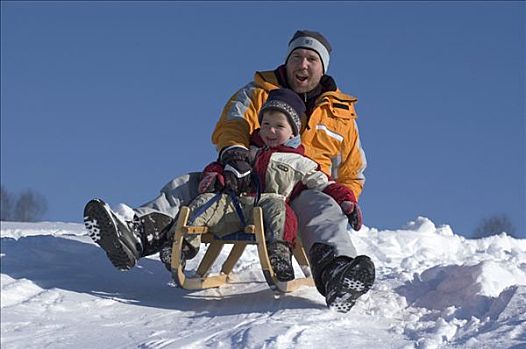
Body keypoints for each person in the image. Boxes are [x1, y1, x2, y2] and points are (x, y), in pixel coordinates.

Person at [83, 30, 375, 312]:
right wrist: (235, 154)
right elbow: (232, 123)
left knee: (323, 206)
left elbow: (353, 170)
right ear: (287, 60)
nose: (303, 64)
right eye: (297, 56)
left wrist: (346, 197)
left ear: (322, 68)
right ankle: (138, 233)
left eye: (312, 59)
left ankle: (337, 273)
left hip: (302, 188)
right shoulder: (258, 92)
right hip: (248, 178)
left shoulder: (341, 114)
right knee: (189, 183)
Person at [183, 88, 362, 284]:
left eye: (279, 126)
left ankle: (279, 253)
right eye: (266, 124)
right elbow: (222, 164)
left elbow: (325, 183)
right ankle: (183, 245)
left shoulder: (299, 161)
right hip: (238, 205)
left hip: (274, 205)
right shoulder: (249, 151)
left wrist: (346, 200)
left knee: (281, 213)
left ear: (293, 130)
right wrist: (215, 173)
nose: (271, 130)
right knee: (206, 203)